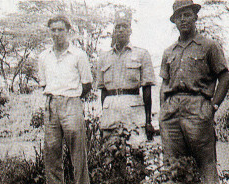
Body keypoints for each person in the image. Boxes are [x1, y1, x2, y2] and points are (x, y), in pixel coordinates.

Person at [159, 0, 229, 183]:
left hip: (198, 108)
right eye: (178, 16)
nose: (183, 20)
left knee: (206, 164)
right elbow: (164, 83)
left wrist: (212, 107)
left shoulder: (208, 46)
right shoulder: (169, 52)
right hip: (171, 111)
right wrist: (163, 111)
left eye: (187, 15)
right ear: (174, 21)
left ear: (195, 17)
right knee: (173, 166)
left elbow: (224, 78)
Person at [38, 14, 92, 184]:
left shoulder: (78, 55)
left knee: (78, 153)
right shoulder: (43, 56)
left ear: (68, 31)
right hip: (51, 105)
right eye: (53, 30)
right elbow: (43, 84)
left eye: (60, 30)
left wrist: (72, 98)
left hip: (72, 103)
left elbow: (87, 84)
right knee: (51, 153)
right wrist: (54, 100)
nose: (56, 34)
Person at [97, 10, 156, 148]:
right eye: (118, 27)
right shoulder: (104, 57)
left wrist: (148, 121)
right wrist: (104, 117)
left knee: (137, 151)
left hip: (133, 109)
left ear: (130, 30)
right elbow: (103, 92)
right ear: (114, 31)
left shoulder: (141, 54)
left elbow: (147, 89)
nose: (121, 30)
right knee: (113, 154)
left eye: (124, 26)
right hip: (110, 110)